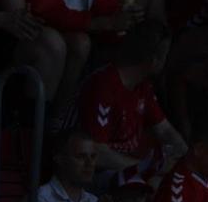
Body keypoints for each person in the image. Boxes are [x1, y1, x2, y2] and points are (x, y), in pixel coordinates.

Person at [77, 23, 185, 173]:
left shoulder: (143, 86)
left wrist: (188, 159)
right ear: (153, 61)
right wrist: (144, 169)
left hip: (127, 168)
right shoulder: (104, 86)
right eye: (165, 57)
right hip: (97, 174)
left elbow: (165, 130)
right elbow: (97, 152)